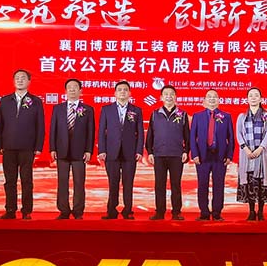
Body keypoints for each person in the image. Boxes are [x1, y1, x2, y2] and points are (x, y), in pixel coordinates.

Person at [0, 69, 45, 220]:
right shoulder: (5, 100)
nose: (20, 80)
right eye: (17, 78)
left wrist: (38, 146)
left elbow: (40, 125)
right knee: (10, 180)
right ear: (13, 81)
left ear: (29, 81)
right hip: (8, 146)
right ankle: (10, 210)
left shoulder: (36, 101)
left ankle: (26, 211)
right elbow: (0, 124)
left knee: (26, 180)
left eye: (23, 78)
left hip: (27, 147)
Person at [98, 81, 144, 220]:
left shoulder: (136, 110)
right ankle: (111, 210)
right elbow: (101, 131)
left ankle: (128, 210)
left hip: (130, 152)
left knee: (128, 183)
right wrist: (102, 150)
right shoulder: (107, 109)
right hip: (111, 151)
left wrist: (139, 150)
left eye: (125, 90)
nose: (122, 92)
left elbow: (140, 132)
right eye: (120, 90)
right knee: (113, 182)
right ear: (115, 93)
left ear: (130, 93)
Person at [49, 79, 95, 220]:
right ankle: (63, 210)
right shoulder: (58, 109)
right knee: (62, 182)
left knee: (79, 182)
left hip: (79, 152)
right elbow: (53, 130)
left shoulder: (88, 109)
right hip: (61, 150)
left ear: (81, 91)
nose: (72, 89)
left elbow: (90, 131)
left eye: (75, 87)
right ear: (65, 91)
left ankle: (78, 211)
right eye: (69, 87)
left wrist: (89, 150)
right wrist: (53, 148)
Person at [145, 85, 190, 220]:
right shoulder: (155, 114)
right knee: (159, 185)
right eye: (166, 94)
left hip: (176, 155)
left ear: (175, 97)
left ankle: (176, 212)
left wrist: (186, 151)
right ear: (161, 97)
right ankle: (160, 212)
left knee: (176, 185)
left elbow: (187, 135)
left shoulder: (182, 114)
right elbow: (150, 135)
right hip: (159, 154)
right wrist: (150, 152)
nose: (169, 96)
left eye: (171, 94)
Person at [190, 89, 234, 221]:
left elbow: (231, 138)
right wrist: (195, 154)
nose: (212, 99)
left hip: (220, 156)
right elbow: (192, 137)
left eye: (215, 97)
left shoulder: (226, 116)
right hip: (202, 156)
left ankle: (216, 213)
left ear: (219, 100)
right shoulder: (197, 116)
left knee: (219, 185)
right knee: (202, 184)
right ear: (204, 100)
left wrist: (229, 156)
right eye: (209, 96)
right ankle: (204, 212)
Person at [236, 87, 267, 222]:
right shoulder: (242, 117)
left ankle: (261, 212)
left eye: (256, 95)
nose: (253, 98)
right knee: (250, 183)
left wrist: (260, 148)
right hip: (247, 155)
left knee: (261, 183)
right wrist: (246, 149)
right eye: (250, 95)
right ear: (247, 99)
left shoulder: (266, 116)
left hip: (261, 155)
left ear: (261, 99)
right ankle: (251, 211)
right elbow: (239, 134)